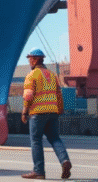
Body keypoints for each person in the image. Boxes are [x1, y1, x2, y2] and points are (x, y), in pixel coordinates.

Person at [21, 49, 72, 180]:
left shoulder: (32, 75)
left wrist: (24, 112)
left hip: (38, 113)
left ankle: (39, 171)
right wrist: (60, 109)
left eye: (30, 59)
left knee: (36, 141)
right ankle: (64, 160)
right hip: (53, 112)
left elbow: (28, 96)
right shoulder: (52, 75)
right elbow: (58, 95)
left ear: (36, 59)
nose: (29, 61)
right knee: (55, 138)